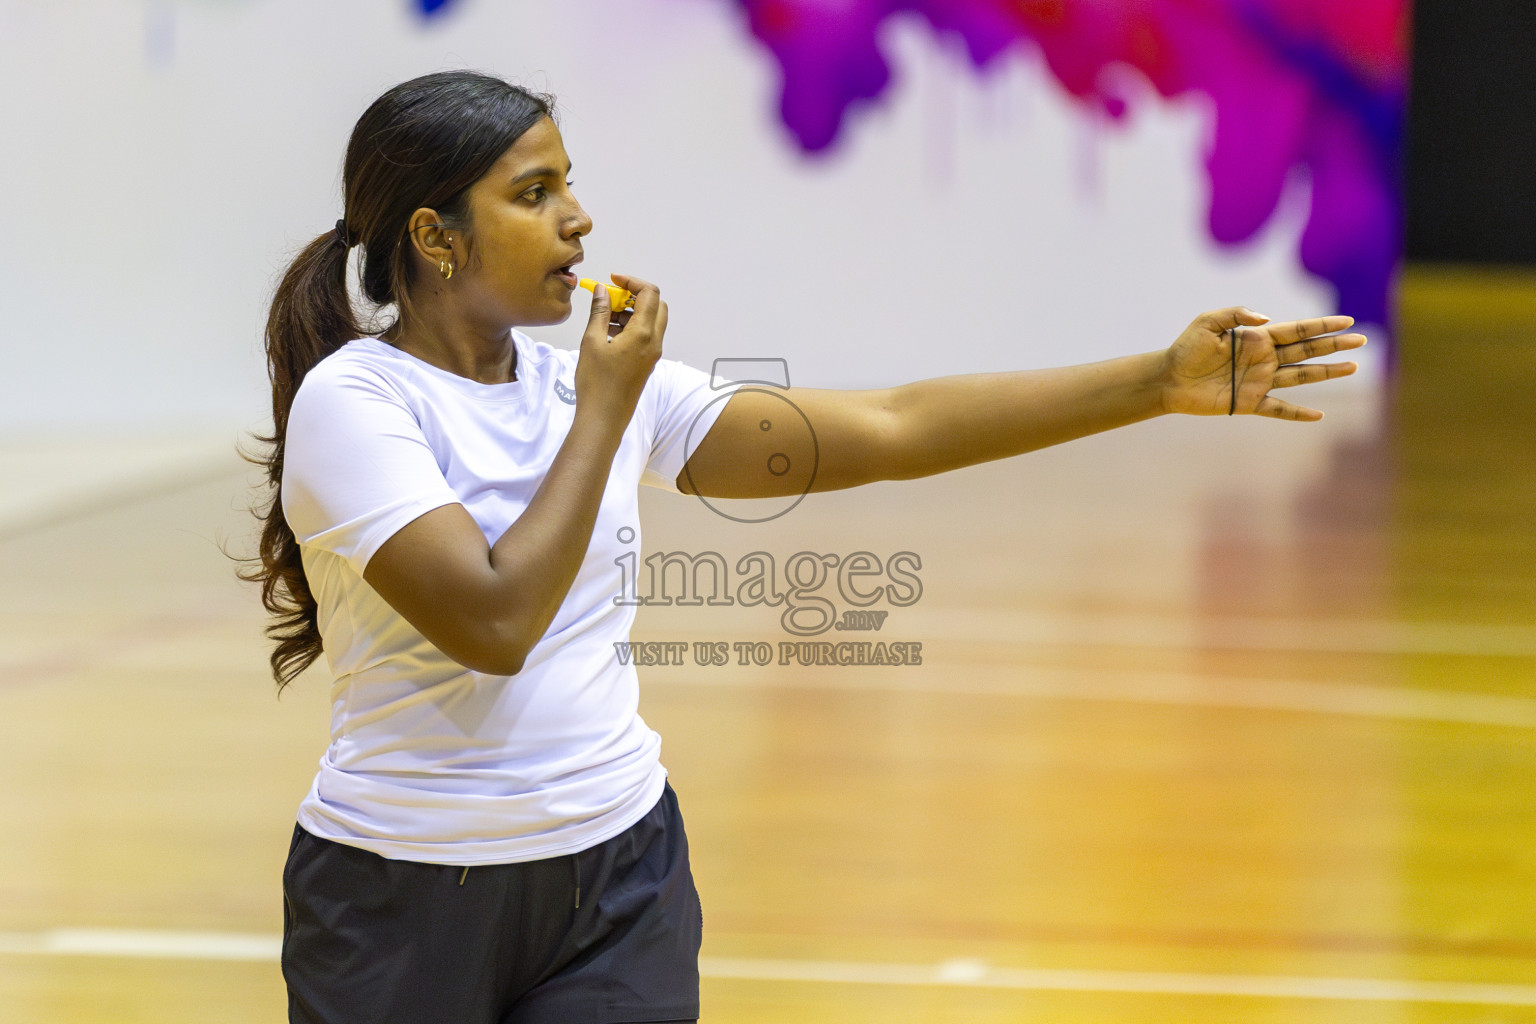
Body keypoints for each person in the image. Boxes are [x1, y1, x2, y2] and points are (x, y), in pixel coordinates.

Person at [245, 69, 1365, 1024]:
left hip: (618, 873)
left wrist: (1155, 384)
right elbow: (494, 622)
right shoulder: (361, 404)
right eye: (534, 194)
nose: (579, 218)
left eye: (571, 182)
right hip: (404, 895)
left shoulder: (586, 383)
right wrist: (603, 411)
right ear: (436, 238)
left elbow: (892, 427)